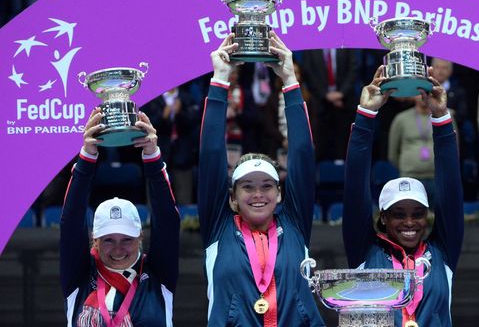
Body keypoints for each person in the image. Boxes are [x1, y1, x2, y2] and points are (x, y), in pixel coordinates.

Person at [198, 33, 324, 326]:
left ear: (279, 194)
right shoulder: (218, 229)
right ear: (232, 197)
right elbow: (211, 155)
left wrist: (290, 80)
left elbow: (303, 155)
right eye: (247, 187)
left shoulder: (294, 224)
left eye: (267, 186)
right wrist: (220, 80)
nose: (258, 194)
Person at [343, 65, 463, 327]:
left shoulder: (442, 252)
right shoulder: (365, 251)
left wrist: (441, 116)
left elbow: (451, 188)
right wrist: (366, 115)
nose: (410, 222)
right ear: (383, 218)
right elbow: (354, 187)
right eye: (399, 214)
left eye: (417, 213)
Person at [60, 109, 179, 326]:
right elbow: (71, 220)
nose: (118, 249)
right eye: (108, 240)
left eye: (126, 239)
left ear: (140, 237)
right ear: (94, 240)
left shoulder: (157, 275)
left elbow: (167, 219)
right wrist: (87, 156)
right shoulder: (80, 276)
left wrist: (152, 156)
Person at [299, 48, 360, 160]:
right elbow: (308, 72)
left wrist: (341, 94)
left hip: (344, 103)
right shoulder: (311, 48)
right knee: (320, 147)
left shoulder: (345, 45)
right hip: (320, 104)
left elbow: (353, 69)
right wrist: (326, 95)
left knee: (343, 146)